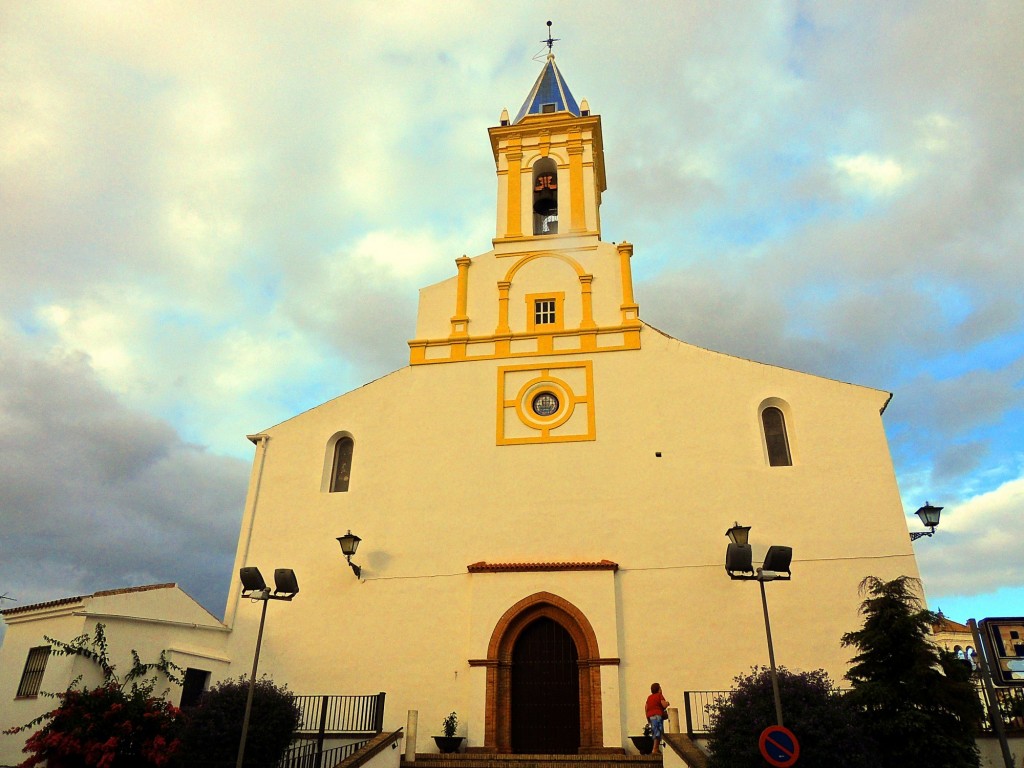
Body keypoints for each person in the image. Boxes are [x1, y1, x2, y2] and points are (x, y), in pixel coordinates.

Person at [645, 682, 670, 753]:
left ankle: (656, 748)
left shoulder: (649, 697)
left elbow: (646, 707)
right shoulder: (659, 695)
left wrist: (647, 718)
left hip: (651, 716)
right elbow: (664, 705)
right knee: (658, 732)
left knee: (655, 731)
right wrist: (667, 703)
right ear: (658, 689)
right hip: (657, 715)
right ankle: (655, 749)